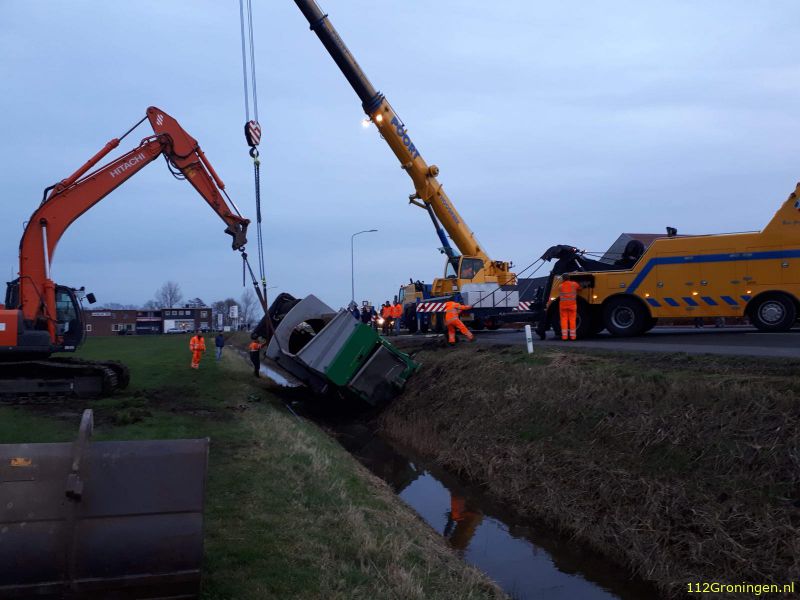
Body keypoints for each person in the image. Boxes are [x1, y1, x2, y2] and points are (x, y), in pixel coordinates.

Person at [558, 274, 581, 341]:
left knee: (564, 321)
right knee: (572, 320)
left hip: (563, 306)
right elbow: (580, 288)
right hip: (572, 306)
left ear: (563, 279)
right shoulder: (574, 284)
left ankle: (564, 337)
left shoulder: (560, 286)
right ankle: (573, 337)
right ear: (569, 278)